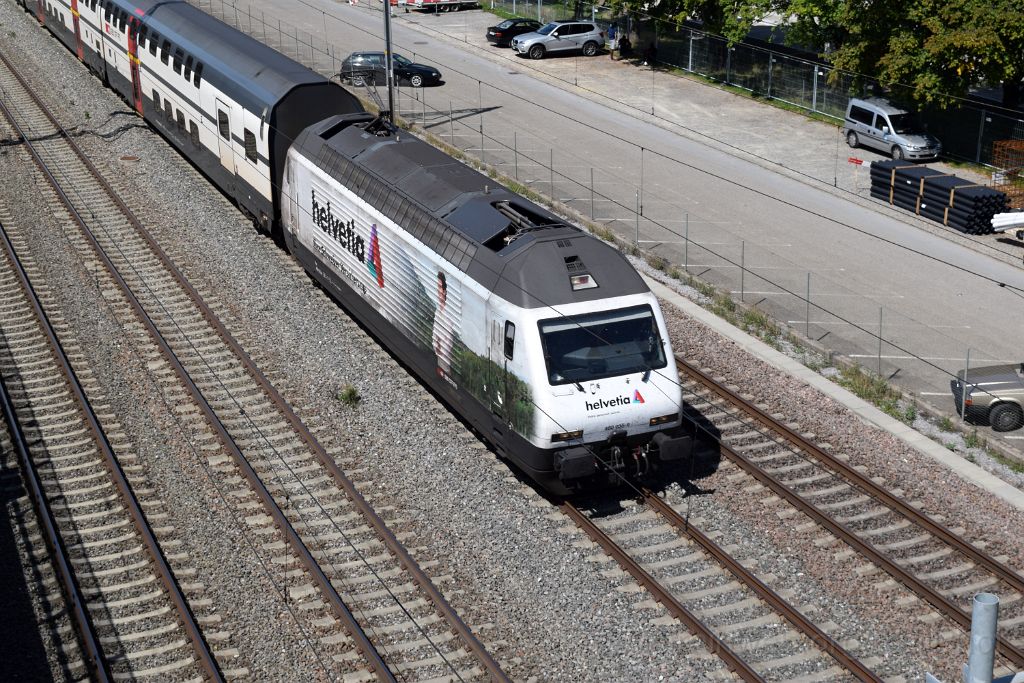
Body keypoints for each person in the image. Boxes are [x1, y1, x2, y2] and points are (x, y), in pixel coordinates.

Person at [432, 271, 454, 377]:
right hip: (438, 354)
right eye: (437, 286)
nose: (438, 290)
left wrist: (440, 349)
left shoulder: (448, 314)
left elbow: (449, 340)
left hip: (444, 357)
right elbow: (434, 332)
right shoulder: (438, 311)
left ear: (445, 292)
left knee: (446, 376)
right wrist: (436, 345)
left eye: (440, 287)